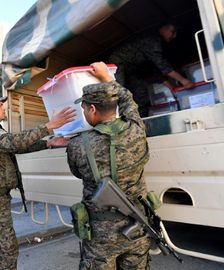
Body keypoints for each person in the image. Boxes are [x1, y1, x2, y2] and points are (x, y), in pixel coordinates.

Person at [0, 93, 75, 270]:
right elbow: (14, 142)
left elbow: (16, 145)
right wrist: (50, 125)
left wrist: (49, 143)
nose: (4, 108)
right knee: (6, 249)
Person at [66, 62, 151, 269]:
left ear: (92, 108)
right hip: (137, 225)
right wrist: (107, 77)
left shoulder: (77, 144)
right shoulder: (137, 129)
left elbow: (77, 173)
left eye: (84, 108)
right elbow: (128, 100)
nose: (84, 112)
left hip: (100, 235)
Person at [108, 22, 194, 117]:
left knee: (141, 93)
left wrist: (172, 88)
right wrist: (184, 81)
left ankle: (141, 120)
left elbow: (156, 69)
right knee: (118, 93)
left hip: (133, 70)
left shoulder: (158, 42)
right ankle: (116, 121)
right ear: (163, 28)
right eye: (173, 32)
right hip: (118, 64)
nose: (174, 36)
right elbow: (162, 65)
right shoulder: (152, 39)